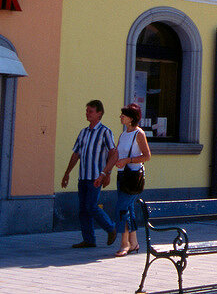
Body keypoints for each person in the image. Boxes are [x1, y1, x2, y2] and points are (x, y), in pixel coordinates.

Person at [60, 100, 117, 248]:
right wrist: (67, 173)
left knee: (91, 206)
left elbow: (113, 153)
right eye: (87, 111)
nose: (87, 113)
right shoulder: (83, 132)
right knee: (83, 209)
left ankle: (111, 228)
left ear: (99, 113)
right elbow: (76, 154)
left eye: (90, 111)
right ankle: (89, 239)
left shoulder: (105, 132)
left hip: (96, 177)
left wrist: (107, 173)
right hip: (83, 176)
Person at [108, 103, 151, 256]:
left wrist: (127, 161)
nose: (120, 117)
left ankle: (124, 243)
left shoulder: (139, 134)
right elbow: (117, 154)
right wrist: (105, 172)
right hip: (122, 176)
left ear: (131, 118)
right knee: (129, 210)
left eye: (123, 115)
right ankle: (134, 243)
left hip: (134, 177)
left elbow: (147, 156)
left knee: (121, 209)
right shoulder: (124, 134)